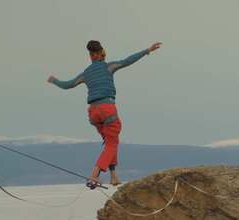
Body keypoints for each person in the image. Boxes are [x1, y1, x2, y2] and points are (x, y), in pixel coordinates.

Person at [48, 40, 162, 187]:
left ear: (90, 56)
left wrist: (54, 80)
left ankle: (113, 176)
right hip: (107, 108)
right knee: (112, 144)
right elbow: (128, 61)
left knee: (110, 142)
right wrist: (148, 50)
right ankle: (94, 175)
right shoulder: (109, 67)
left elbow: (67, 85)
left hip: (93, 113)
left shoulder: (86, 74)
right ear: (102, 53)